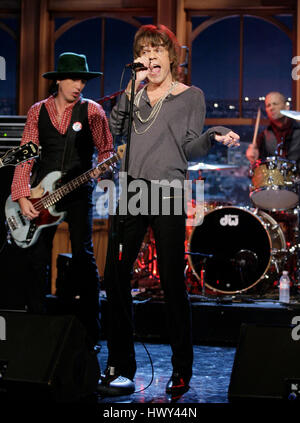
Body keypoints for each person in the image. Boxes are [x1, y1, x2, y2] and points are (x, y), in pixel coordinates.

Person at [97, 24, 240, 398]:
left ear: (171, 55)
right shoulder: (137, 95)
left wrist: (214, 136)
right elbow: (114, 130)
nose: (150, 56)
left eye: (157, 49)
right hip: (132, 190)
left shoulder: (190, 96)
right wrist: (131, 90)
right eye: (144, 50)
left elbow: (192, 149)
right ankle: (120, 365)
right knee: (114, 277)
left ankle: (181, 369)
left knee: (173, 284)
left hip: (168, 191)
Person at [10, 52, 113, 348]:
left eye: (82, 79)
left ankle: (91, 334)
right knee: (36, 259)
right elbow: (25, 156)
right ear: (58, 81)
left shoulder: (93, 111)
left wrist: (103, 167)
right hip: (43, 195)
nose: (79, 84)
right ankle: (36, 328)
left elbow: (106, 150)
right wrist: (21, 195)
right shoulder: (36, 111)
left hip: (79, 193)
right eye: (73, 78)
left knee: (83, 258)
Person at [246, 91, 300, 164]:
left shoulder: (298, 130)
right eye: (268, 105)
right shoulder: (263, 136)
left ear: (287, 107)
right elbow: (259, 166)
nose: (271, 108)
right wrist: (254, 157)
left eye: (275, 104)